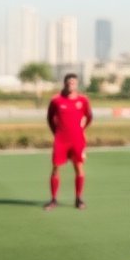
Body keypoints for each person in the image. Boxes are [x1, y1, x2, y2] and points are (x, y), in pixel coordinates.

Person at [44, 73, 92, 210]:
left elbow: (89, 117)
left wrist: (82, 130)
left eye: (73, 82)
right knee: (55, 168)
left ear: (77, 84)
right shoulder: (56, 101)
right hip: (61, 140)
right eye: (69, 82)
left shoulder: (83, 100)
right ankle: (53, 200)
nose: (71, 84)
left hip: (77, 140)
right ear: (64, 83)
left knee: (79, 168)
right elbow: (50, 118)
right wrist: (56, 132)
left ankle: (78, 199)